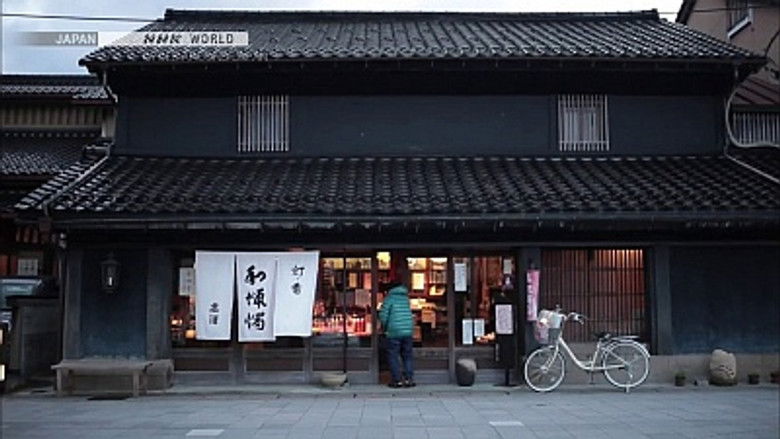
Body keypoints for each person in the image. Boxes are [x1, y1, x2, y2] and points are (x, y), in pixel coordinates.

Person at [379, 272, 415, 388]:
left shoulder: (389, 299)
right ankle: (409, 379)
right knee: (407, 355)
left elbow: (383, 315)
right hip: (408, 330)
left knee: (393, 355)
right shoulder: (405, 298)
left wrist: (384, 327)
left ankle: (397, 380)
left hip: (394, 331)